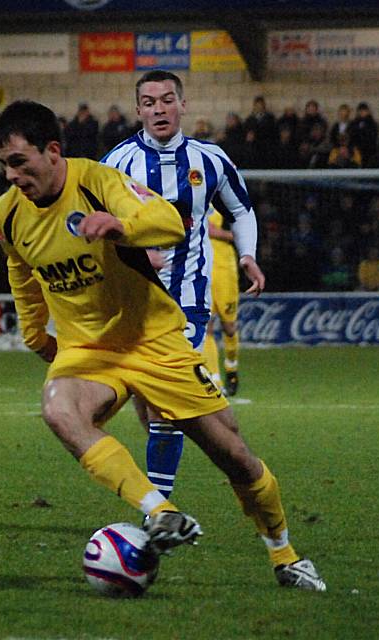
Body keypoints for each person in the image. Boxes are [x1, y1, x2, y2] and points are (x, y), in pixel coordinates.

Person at [0, 99, 325, 590]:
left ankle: (285, 555)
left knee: (234, 456)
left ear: (53, 151)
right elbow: (21, 270)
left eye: (20, 162)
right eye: (4, 166)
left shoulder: (97, 182)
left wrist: (121, 225)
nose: (12, 175)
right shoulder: (6, 214)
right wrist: (36, 333)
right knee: (59, 409)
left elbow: (169, 221)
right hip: (89, 350)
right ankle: (161, 512)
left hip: (153, 340)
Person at [101, 70, 263, 505]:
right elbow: (88, 225)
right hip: (132, 303)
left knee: (165, 410)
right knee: (173, 411)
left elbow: (242, 210)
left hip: (187, 301)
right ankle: (241, 473)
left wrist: (247, 255)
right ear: (138, 110)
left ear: (183, 105)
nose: (159, 109)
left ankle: (158, 514)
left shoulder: (209, 159)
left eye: (167, 100)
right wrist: (129, 251)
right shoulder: (115, 164)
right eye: (150, 102)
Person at [203, 210, 240, 396]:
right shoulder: (189, 194)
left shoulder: (226, 202)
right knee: (206, 326)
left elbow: (241, 230)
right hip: (202, 267)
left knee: (229, 327)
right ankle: (214, 379)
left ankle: (231, 366)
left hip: (225, 268)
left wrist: (220, 233)